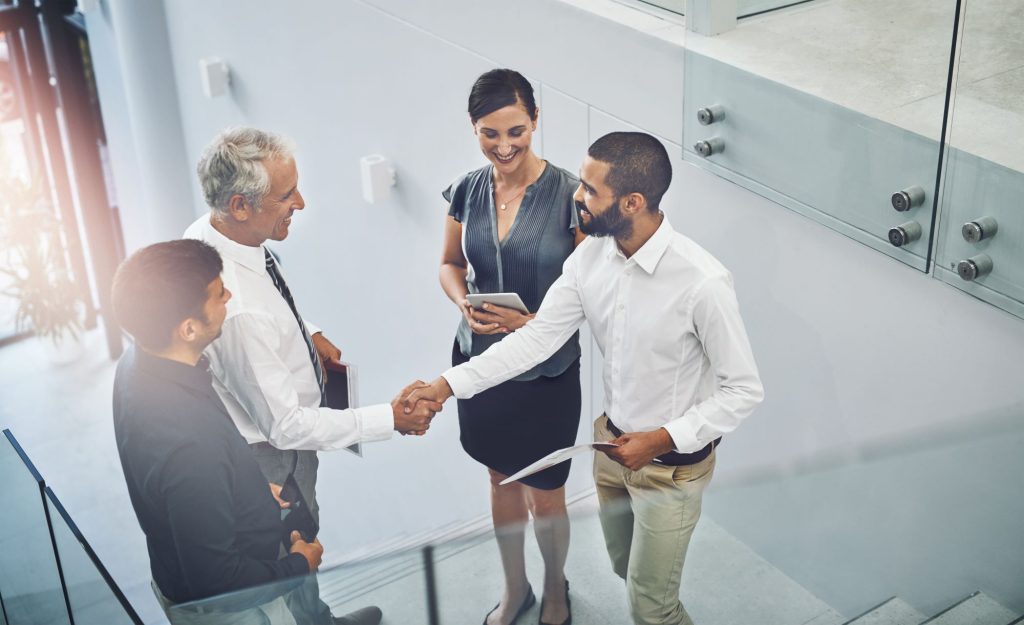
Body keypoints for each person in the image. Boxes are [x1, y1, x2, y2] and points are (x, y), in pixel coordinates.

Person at [406, 132, 765, 625]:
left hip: (670, 465)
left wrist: (660, 439)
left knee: (651, 606)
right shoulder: (589, 259)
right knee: (625, 569)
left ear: (632, 202)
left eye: (591, 190)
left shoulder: (702, 282)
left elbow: (743, 390)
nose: (577, 195)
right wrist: (446, 386)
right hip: (610, 449)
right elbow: (535, 340)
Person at [185, 127, 439, 625]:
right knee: (294, 549)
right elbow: (287, 427)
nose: (299, 202)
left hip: (271, 435)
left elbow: (268, 300)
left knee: (299, 555)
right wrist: (389, 419)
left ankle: (317, 620)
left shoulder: (215, 234)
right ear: (240, 205)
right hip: (273, 459)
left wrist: (309, 332)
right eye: (286, 195)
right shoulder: (240, 315)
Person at [111, 239, 323, 625]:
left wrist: (251, 492)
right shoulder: (190, 444)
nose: (229, 295)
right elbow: (218, 581)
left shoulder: (135, 363)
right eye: (218, 293)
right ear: (188, 328)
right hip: (237, 611)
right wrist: (298, 566)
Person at [439, 68, 585, 625]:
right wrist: (463, 304)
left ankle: (554, 590)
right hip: (480, 361)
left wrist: (529, 325)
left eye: (516, 132)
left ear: (536, 121)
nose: (503, 147)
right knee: (499, 478)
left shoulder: (573, 196)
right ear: (474, 128)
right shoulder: (466, 189)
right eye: (489, 133)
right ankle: (514, 587)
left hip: (545, 372)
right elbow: (451, 264)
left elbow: (588, 297)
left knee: (545, 492)